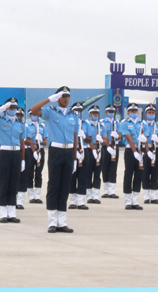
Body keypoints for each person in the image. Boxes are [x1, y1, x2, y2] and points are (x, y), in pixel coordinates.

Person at [30, 86, 77, 233]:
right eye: (63, 96)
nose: (66, 98)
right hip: (56, 150)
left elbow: (75, 138)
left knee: (65, 187)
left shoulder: (73, 115)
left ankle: (61, 222)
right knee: (54, 185)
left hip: (69, 151)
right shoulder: (50, 112)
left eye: (67, 96)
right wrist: (50, 98)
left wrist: (75, 158)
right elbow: (34, 109)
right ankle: (52, 222)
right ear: (58, 98)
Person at [119, 103, 147, 211]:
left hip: (141, 149)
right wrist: (135, 152)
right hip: (130, 150)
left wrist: (144, 139)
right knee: (129, 174)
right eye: (132, 111)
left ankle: (135, 201)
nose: (134, 113)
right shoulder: (124, 123)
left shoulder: (142, 123)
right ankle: (127, 201)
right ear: (128, 113)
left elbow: (146, 135)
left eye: (136, 111)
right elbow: (129, 138)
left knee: (139, 175)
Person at [68, 102, 94, 210]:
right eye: (77, 110)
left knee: (83, 176)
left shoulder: (86, 123)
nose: (79, 113)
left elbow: (90, 139)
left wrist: (83, 136)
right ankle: (73, 201)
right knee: (72, 177)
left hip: (84, 150)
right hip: (72, 150)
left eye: (80, 111)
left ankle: (81, 202)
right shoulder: (69, 121)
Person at [26, 109, 47, 204]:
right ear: (30, 116)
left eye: (36, 114)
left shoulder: (42, 127)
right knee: (29, 173)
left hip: (40, 150)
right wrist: (35, 145)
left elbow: (45, 142)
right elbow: (28, 140)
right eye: (32, 114)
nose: (34, 116)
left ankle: (37, 195)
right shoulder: (27, 127)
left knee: (39, 173)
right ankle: (31, 196)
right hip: (31, 151)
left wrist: (40, 141)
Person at [141, 104, 158, 205]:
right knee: (145, 172)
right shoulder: (142, 125)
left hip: (156, 149)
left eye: (153, 113)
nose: (151, 114)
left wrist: (157, 140)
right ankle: (146, 196)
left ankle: (154, 196)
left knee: (155, 172)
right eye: (149, 113)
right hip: (145, 149)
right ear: (145, 114)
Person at [99, 105, 120, 199]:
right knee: (105, 167)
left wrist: (117, 136)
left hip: (114, 146)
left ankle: (112, 191)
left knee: (113, 168)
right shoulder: (102, 122)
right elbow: (100, 137)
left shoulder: (117, 122)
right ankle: (106, 190)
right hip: (105, 147)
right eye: (109, 111)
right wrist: (107, 145)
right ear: (106, 112)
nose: (111, 113)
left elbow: (120, 135)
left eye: (112, 111)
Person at [14, 108, 32, 209]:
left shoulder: (26, 126)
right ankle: (13, 199)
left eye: (20, 115)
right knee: (14, 176)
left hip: (25, 151)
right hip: (16, 150)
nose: (19, 117)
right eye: (17, 115)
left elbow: (28, 141)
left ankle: (20, 201)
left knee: (24, 177)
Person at [86, 105, 103, 204]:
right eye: (93, 113)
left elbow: (106, 139)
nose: (95, 115)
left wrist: (103, 140)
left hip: (100, 150)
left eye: (97, 114)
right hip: (89, 150)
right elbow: (87, 139)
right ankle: (89, 196)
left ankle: (96, 196)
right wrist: (93, 150)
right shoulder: (87, 125)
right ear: (90, 114)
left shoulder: (101, 125)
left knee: (97, 173)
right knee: (88, 173)